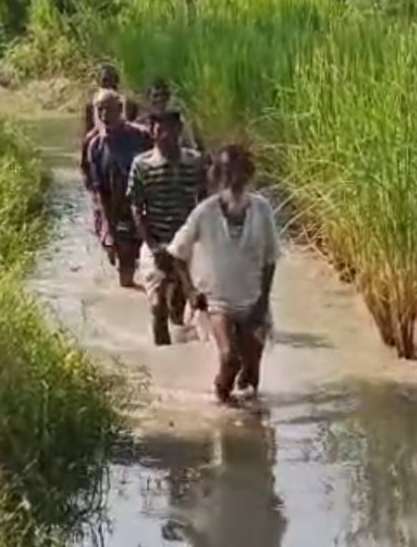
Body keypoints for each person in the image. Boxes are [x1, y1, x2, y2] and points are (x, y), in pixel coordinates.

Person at [168, 144, 280, 404]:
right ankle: (220, 410)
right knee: (229, 358)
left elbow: (271, 259)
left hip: (254, 301)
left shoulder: (261, 209)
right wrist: (190, 291)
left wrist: (262, 302)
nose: (234, 179)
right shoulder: (204, 212)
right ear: (218, 176)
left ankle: (253, 428)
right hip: (218, 303)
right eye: (227, 172)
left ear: (248, 174)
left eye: (239, 172)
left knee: (251, 373)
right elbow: (177, 253)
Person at [128, 110, 207, 345]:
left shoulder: (194, 162)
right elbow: (136, 208)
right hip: (156, 242)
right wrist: (153, 246)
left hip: (186, 244)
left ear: (179, 131)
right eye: (158, 129)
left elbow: (204, 203)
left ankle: (179, 355)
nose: (164, 135)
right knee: (158, 307)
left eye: (169, 129)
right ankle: (161, 359)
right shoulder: (142, 165)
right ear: (152, 132)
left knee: (177, 307)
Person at [83, 89, 152, 287]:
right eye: (100, 110)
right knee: (126, 278)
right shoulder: (95, 145)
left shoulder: (141, 137)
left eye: (109, 110)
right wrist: (108, 230)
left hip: (145, 211)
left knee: (160, 277)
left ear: (120, 109)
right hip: (118, 214)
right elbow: (99, 191)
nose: (104, 116)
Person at [141, 78, 201, 152]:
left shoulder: (179, 122)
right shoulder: (143, 124)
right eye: (155, 96)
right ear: (148, 98)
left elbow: (191, 148)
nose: (160, 99)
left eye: (163, 94)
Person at [82, 61, 138, 137]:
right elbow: (88, 130)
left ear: (116, 81)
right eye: (105, 80)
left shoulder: (127, 102)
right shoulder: (91, 104)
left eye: (111, 80)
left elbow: (132, 126)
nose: (108, 84)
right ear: (99, 82)